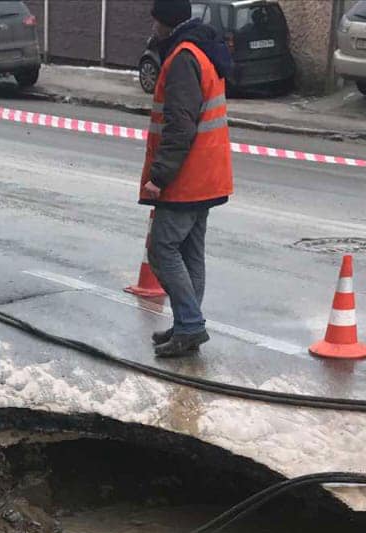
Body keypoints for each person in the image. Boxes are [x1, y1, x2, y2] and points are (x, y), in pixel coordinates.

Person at [139, 0, 234, 359]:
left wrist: (159, 177)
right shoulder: (203, 48)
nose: (152, 29)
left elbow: (180, 125)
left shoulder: (181, 58)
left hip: (187, 177)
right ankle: (185, 326)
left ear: (166, 23)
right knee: (191, 252)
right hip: (208, 174)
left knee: (161, 250)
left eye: (155, 22)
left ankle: (191, 325)